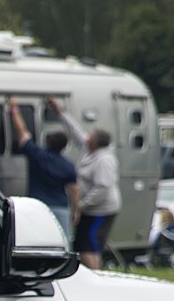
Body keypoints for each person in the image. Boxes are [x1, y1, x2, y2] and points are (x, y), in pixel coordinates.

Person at [47, 98, 118, 269]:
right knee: (82, 243)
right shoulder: (90, 149)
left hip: (100, 209)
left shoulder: (104, 160)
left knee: (90, 244)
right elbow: (76, 132)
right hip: (88, 209)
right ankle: (90, 273)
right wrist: (60, 113)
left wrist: (81, 205)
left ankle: (95, 274)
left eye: (91, 136)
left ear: (96, 142)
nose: (87, 137)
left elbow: (103, 187)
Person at [7, 96, 79, 237]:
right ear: (64, 146)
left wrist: (14, 108)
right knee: (62, 242)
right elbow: (75, 191)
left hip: (38, 206)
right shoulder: (68, 165)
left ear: (49, 142)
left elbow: (21, 131)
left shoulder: (36, 154)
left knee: (37, 238)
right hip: (61, 208)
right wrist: (75, 211)